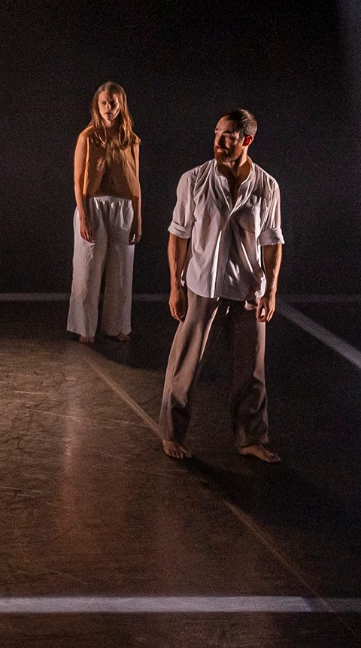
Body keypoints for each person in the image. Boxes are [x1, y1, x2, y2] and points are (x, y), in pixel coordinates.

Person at [159, 109, 284, 463]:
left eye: (228, 135)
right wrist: (176, 284)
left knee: (251, 371)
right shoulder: (194, 179)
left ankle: (250, 438)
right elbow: (178, 235)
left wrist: (271, 290)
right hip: (202, 285)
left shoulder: (266, 186)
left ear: (246, 140)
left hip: (247, 289)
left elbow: (272, 242)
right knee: (184, 367)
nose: (219, 140)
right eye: (217, 132)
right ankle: (172, 433)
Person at [68, 82, 142, 344]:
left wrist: (138, 218)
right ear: (97, 106)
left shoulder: (131, 139)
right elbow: (78, 181)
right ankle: (85, 327)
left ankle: (118, 325)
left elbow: (135, 181)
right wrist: (85, 216)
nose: (108, 108)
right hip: (94, 204)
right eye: (104, 103)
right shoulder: (87, 137)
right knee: (88, 267)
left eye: (113, 103)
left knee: (122, 271)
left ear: (121, 104)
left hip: (123, 208)